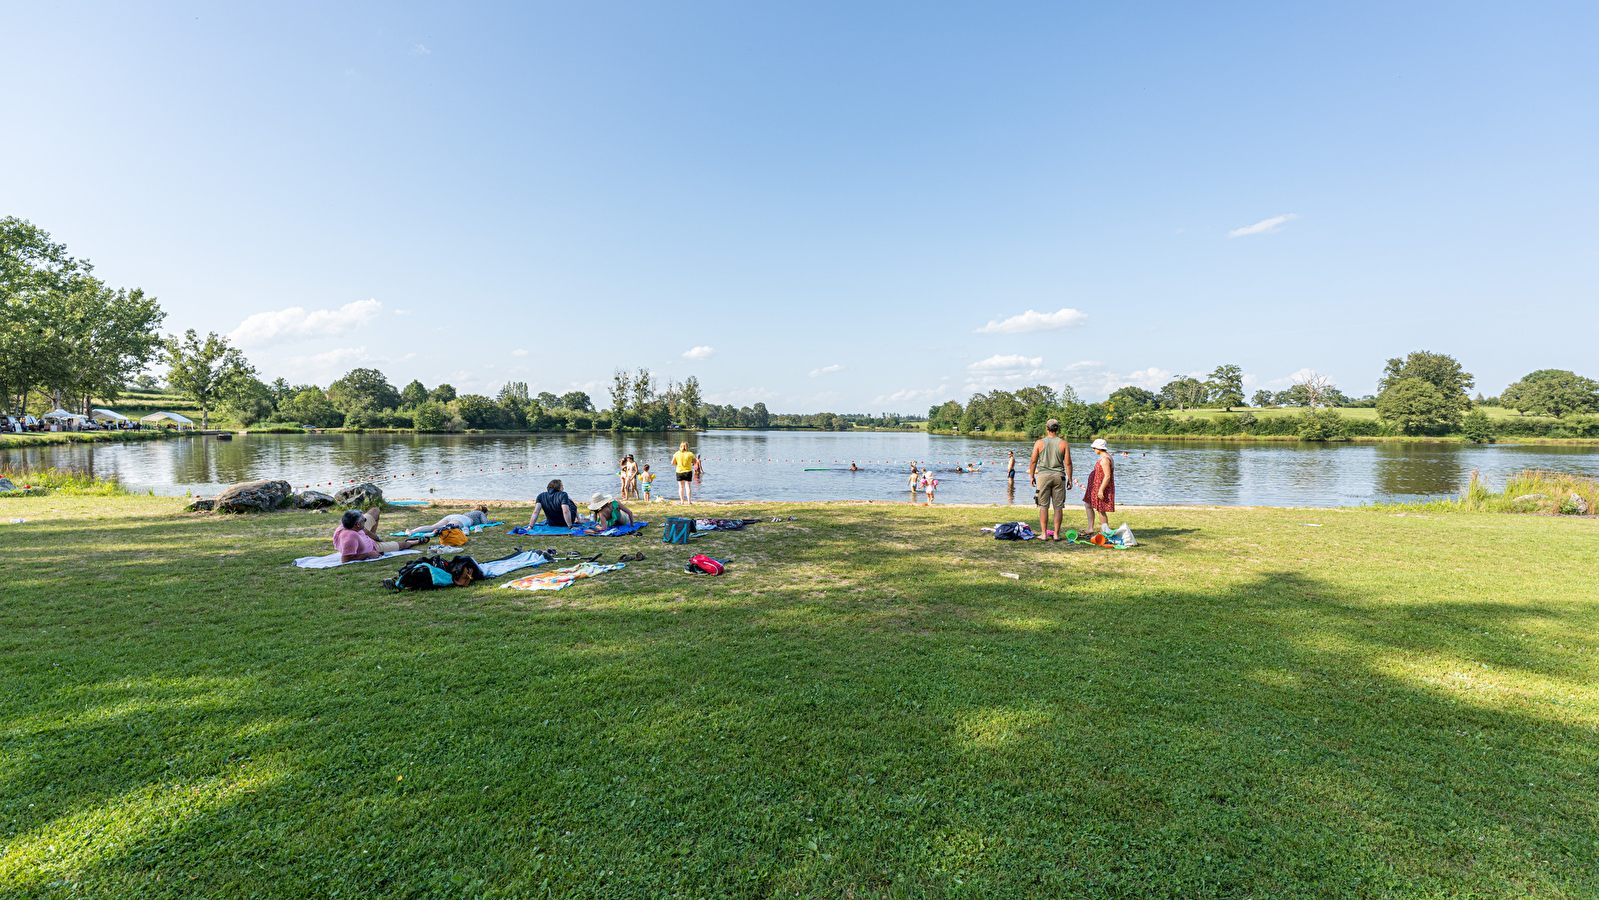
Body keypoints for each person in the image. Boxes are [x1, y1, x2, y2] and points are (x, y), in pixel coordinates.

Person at [1027, 418, 1073, 541]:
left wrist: (1032, 476)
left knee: (1043, 506)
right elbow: (1068, 463)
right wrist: (1070, 479)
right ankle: (1056, 534)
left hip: (1043, 477)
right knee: (1058, 506)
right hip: (1059, 476)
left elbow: (1033, 461)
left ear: (1047, 428)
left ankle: (1044, 534)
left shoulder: (1039, 443)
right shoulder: (1064, 443)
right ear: (1057, 429)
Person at [334, 508, 427, 562]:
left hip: (365, 538)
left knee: (375, 511)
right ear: (358, 524)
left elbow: (365, 531)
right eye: (364, 520)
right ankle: (411, 542)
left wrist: (378, 538)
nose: (365, 520)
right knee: (404, 545)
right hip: (373, 547)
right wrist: (368, 555)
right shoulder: (350, 538)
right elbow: (345, 559)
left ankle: (374, 538)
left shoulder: (348, 524)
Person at [1085, 437, 1117, 534]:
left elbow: (1107, 476)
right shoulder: (1105, 457)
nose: (1093, 450)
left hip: (1101, 486)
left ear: (1099, 448)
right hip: (1096, 485)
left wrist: (1100, 490)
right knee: (1088, 504)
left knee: (1101, 509)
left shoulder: (1105, 459)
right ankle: (1090, 528)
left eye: (1094, 448)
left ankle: (1104, 532)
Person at [405, 506, 491, 536]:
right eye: (486, 514)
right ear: (484, 512)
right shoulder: (480, 513)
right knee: (448, 527)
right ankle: (434, 532)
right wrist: (492, 521)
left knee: (432, 526)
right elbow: (486, 522)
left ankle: (412, 531)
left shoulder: (469, 513)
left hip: (454, 516)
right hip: (463, 520)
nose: (486, 516)